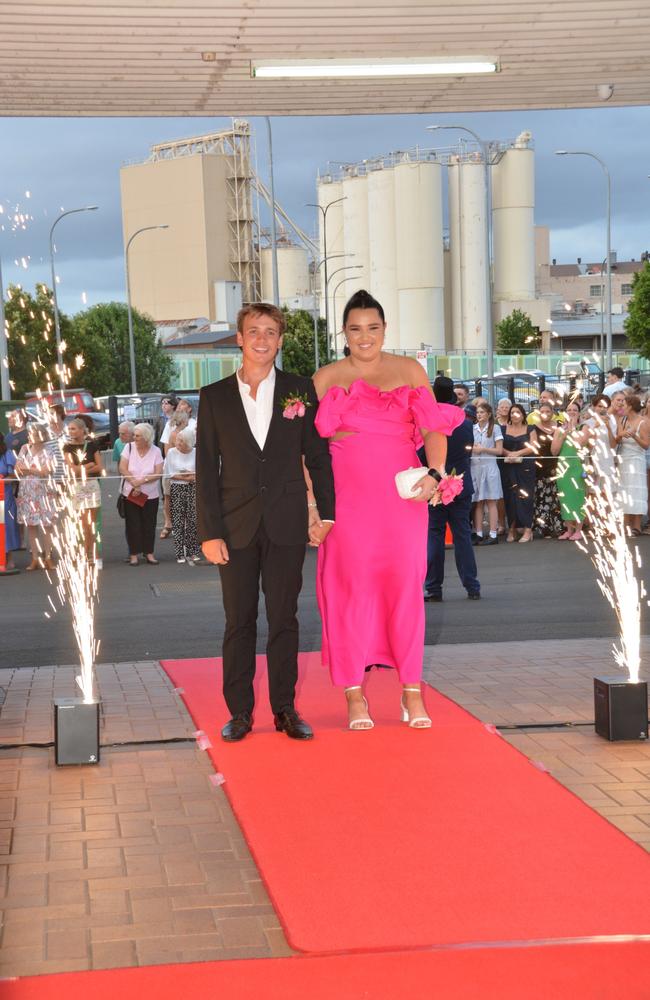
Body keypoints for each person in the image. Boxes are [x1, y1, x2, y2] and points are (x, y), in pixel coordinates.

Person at [313, 290, 463, 731]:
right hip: (346, 504)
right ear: (345, 332)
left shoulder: (409, 370)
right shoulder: (325, 378)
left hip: (401, 502)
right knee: (349, 592)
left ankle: (411, 692)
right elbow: (308, 451)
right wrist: (313, 506)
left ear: (384, 329)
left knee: (405, 591)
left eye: (373, 328)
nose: (365, 337)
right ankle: (353, 694)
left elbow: (434, 426)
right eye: (356, 329)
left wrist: (435, 473)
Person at [196, 302, 335, 743]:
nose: (261, 339)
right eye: (253, 331)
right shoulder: (213, 396)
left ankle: (284, 709)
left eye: (270, 332)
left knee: (284, 619)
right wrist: (206, 533)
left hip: (287, 522)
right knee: (238, 621)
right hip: (233, 526)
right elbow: (204, 468)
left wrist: (326, 512)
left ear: (280, 340)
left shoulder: (300, 390)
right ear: (239, 338)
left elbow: (318, 456)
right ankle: (239, 713)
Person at [424, 377, 480, 602]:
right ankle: (472, 585)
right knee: (463, 536)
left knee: (434, 536)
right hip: (460, 483)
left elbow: (420, 453)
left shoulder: (428, 421)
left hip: (435, 483)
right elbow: (467, 453)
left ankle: (434, 588)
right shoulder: (466, 423)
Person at [119, 423, 164, 566]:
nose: (134, 438)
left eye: (137, 436)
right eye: (134, 435)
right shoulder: (129, 447)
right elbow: (122, 467)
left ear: (146, 437)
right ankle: (133, 554)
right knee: (133, 524)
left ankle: (149, 552)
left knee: (149, 524)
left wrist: (142, 481)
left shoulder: (156, 451)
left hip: (150, 494)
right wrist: (134, 482)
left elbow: (158, 472)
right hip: (131, 492)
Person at [15, 424, 57, 571]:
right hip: (27, 492)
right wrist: (35, 470)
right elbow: (17, 469)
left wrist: (28, 470)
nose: (29, 436)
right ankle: (35, 558)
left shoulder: (49, 450)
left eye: (32, 434)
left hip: (44, 492)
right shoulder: (24, 448)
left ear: (40, 435)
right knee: (31, 526)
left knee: (47, 526)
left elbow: (47, 471)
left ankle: (48, 557)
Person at [63, 417, 104, 562]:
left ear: (82, 430)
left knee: (92, 523)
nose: (71, 431)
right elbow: (72, 470)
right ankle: (83, 552)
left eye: (73, 428)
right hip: (78, 486)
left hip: (92, 485)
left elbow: (100, 467)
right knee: (82, 523)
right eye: (69, 429)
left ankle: (90, 552)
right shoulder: (67, 447)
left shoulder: (92, 445)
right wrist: (88, 466)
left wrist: (83, 469)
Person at [163, 427, 201, 564]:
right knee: (178, 520)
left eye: (182, 442)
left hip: (193, 489)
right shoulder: (172, 453)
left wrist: (188, 476)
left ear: (189, 443)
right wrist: (189, 477)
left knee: (193, 520)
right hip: (177, 488)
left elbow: (199, 473)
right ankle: (179, 552)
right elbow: (170, 473)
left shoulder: (197, 453)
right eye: (178, 441)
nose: (178, 444)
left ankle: (193, 551)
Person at [552, 400, 588, 541]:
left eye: (574, 409)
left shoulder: (584, 427)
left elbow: (580, 444)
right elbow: (554, 451)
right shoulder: (559, 429)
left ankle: (579, 529)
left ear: (579, 413)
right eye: (569, 410)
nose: (571, 412)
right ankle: (569, 529)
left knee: (578, 498)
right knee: (565, 498)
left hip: (577, 466)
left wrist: (573, 429)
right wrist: (564, 433)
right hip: (563, 467)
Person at [614, 394, 649, 536]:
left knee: (636, 491)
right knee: (624, 491)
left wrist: (634, 436)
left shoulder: (643, 422)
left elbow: (646, 445)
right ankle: (625, 525)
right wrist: (621, 435)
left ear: (631, 407)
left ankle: (636, 526)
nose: (622, 407)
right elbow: (616, 440)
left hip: (636, 459)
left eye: (624, 404)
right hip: (623, 459)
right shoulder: (622, 420)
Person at [501, 403, 535, 543]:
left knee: (525, 497)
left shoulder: (530, 429)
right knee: (510, 497)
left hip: (526, 467)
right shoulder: (502, 429)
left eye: (518, 412)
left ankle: (528, 529)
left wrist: (518, 453)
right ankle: (512, 529)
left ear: (523, 415)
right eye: (512, 412)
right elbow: (499, 446)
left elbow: (533, 446)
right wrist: (509, 454)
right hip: (508, 467)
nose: (515, 415)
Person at [471, 402, 503, 545]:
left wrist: (483, 449)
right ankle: (478, 532)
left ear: (489, 414)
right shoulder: (472, 429)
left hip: (489, 468)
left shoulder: (495, 428)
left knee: (491, 501)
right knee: (478, 501)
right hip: (475, 468)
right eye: (478, 412)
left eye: (482, 412)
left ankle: (493, 533)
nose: (479, 415)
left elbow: (499, 451)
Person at [530, 401, 563, 538]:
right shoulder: (533, 428)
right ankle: (543, 527)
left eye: (548, 411)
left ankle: (558, 526)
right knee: (541, 498)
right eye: (542, 412)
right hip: (539, 467)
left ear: (553, 414)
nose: (545, 414)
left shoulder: (559, 427)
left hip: (556, 466)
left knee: (556, 498)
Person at [0, 432, 19, 570]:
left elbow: (13, 476)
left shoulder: (7, 454)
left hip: (5, 496)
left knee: (7, 526)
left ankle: (10, 557)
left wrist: (1, 480)